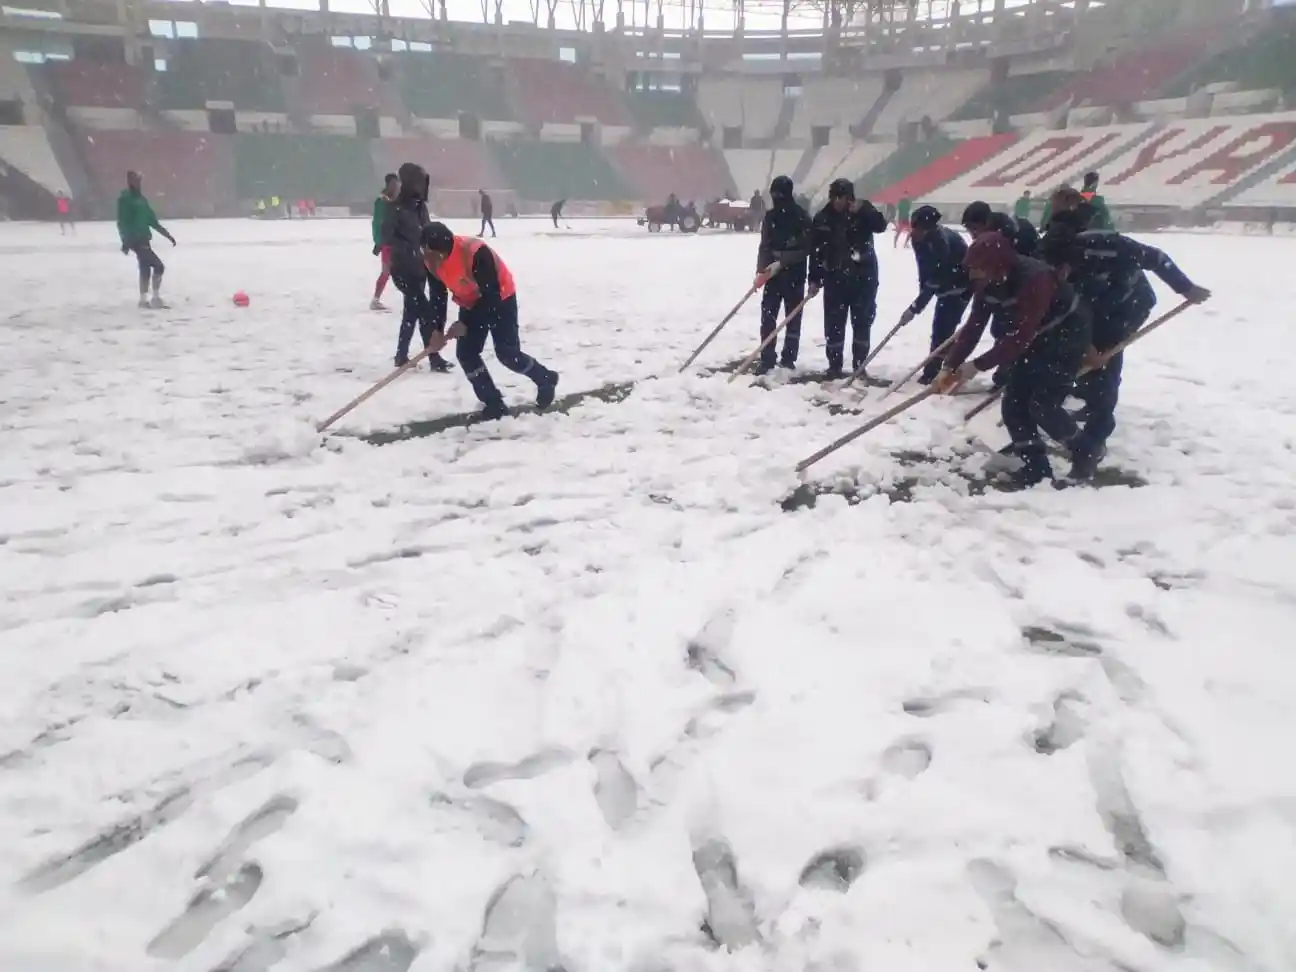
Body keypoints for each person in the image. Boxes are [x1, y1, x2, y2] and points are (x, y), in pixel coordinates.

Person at [1041, 202, 1210, 479]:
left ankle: (1096, 437)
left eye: (1062, 267)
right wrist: (1086, 346)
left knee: (1105, 365)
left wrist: (1186, 288)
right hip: (1093, 308)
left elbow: (1157, 258)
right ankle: (1088, 402)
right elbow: (1071, 310)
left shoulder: (1110, 245)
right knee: (1085, 357)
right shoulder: (1054, 260)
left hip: (1129, 304)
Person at [932, 232, 1091, 486]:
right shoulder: (988, 284)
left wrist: (976, 366)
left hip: (1065, 337)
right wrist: (949, 366)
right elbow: (974, 327)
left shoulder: (1035, 278)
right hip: (1030, 338)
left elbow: (1021, 337)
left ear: (997, 264)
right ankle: (1037, 468)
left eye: (978, 269)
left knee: (1042, 405)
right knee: (1014, 405)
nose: (973, 276)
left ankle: (1086, 451)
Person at [421, 222, 559, 422]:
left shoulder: (475, 252)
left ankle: (545, 379)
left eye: (430, 254)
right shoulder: (431, 262)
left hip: (500, 298)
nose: (426, 259)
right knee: (466, 354)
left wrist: (465, 325)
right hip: (470, 300)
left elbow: (491, 296)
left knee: (507, 354)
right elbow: (437, 297)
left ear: (442, 251)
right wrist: (436, 330)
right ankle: (494, 404)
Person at [809, 178, 888, 378]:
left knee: (862, 322)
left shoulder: (863, 212)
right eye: (834, 197)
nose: (837, 201)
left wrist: (863, 211)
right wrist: (814, 279)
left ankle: (860, 365)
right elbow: (816, 250)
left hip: (864, 279)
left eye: (842, 197)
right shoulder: (823, 218)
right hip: (835, 279)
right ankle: (834, 365)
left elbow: (881, 226)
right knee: (834, 324)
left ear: (850, 198)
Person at [382, 162, 453, 371]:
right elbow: (386, 236)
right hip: (403, 270)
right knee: (424, 311)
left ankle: (401, 355)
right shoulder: (395, 208)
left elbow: (428, 233)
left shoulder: (421, 208)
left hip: (421, 269)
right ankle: (433, 357)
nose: (422, 187)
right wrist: (409, 248)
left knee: (411, 312)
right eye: (419, 183)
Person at [962, 200, 1039, 388]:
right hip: (1000, 284)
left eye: (974, 229)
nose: (972, 235)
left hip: (1023, 287)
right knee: (999, 328)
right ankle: (1004, 372)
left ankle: (1011, 374)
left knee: (1014, 329)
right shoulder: (987, 240)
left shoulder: (1008, 236)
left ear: (984, 223)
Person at [897, 205, 971, 384]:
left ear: (929, 229)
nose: (914, 231)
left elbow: (936, 279)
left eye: (918, 228)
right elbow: (925, 272)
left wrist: (915, 308)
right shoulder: (918, 240)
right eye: (913, 227)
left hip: (960, 286)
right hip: (944, 285)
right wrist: (919, 300)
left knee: (943, 329)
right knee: (942, 329)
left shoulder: (941, 243)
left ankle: (938, 372)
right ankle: (940, 369)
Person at [753, 175, 813, 374]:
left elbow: (806, 248)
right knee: (768, 316)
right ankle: (767, 357)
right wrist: (761, 271)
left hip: (794, 274)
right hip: (773, 275)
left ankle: (789, 358)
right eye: (774, 195)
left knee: (792, 318)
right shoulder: (770, 217)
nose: (776, 198)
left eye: (779, 195)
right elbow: (765, 245)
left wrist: (783, 261)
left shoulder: (802, 217)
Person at [117, 170, 175, 309]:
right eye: (135, 180)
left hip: (144, 238)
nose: (138, 183)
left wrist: (167, 235)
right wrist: (125, 241)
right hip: (135, 240)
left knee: (145, 269)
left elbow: (152, 221)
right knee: (158, 266)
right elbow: (123, 222)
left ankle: (143, 300)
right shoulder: (125, 200)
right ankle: (154, 298)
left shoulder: (142, 200)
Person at [371, 173, 399, 311]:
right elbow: (377, 222)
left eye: (397, 184)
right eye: (393, 184)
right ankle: (375, 299)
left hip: (396, 241)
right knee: (386, 271)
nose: (396, 186)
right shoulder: (382, 201)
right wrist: (379, 241)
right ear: (388, 184)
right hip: (387, 242)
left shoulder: (394, 200)